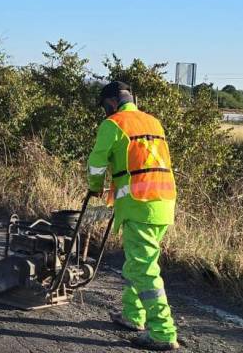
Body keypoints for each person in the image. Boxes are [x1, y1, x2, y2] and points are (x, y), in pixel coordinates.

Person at [87, 81, 179, 351]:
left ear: (112, 102)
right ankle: (133, 315)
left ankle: (163, 332)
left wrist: (94, 187)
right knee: (138, 263)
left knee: (143, 269)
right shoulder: (153, 122)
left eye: (105, 105)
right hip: (164, 202)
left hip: (140, 204)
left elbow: (96, 162)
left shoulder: (114, 124)